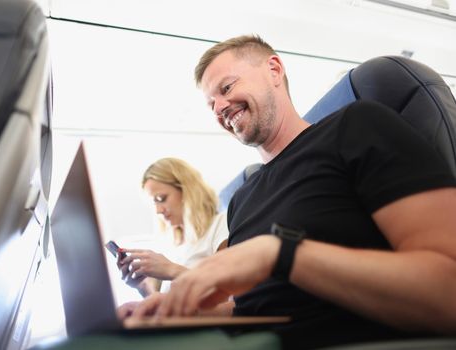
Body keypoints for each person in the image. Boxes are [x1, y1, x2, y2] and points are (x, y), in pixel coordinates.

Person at [124, 35, 456, 348]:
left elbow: (447, 290)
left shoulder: (357, 127)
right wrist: (171, 311)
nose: (220, 107)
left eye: (227, 87)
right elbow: (247, 308)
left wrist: (282, 254)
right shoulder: (243, 199)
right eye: (211, 104)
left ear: (273, 70)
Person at [116, 158, 229, 309]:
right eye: (154, 203)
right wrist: (142, 287)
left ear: (187, 190)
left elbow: (228, 294)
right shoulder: (170, 243)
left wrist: (171, 270)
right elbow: (165, 305)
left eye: (161, 199)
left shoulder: (221, 224)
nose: (158, 210)